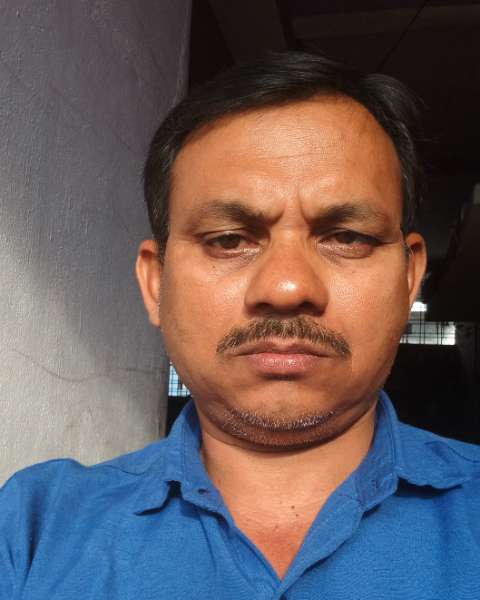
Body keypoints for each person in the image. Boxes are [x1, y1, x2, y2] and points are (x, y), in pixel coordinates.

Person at [1, 52, 479, 599]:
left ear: (409, 278)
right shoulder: (33, 532)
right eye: (229, 240)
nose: (287, 287)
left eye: (346, 237)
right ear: (156, 283)